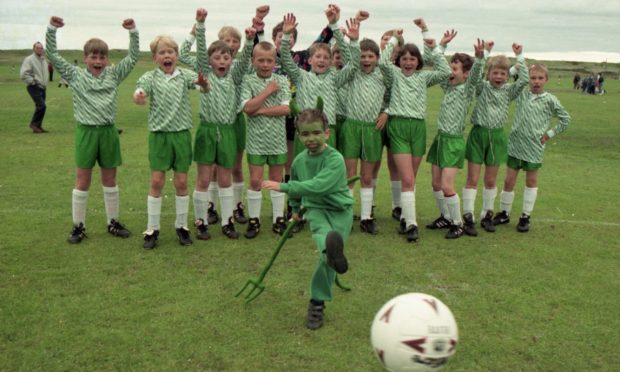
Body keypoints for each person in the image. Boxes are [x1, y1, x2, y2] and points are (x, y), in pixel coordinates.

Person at [45, 16, 138, 244]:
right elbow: (53, 55)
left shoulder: (114, 75)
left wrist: (133, 31)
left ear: (107, 60)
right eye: (93, 56)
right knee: (82, 180)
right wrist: (51, 29)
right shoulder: (75, 76)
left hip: (108, 132)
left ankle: (113, 222)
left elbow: (133, 57)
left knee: (110, 179)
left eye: (102, 57)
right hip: (86, 132)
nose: (98, 60)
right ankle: (78, 226)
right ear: (85, 58)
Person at [262, 107, 351, 330]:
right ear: (299, 136)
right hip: (316, 210)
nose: (311, 139)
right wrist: (293, 208)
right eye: (305, 134)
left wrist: (282, 186)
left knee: (329, 252)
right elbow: (298, 190)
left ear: (327, 133)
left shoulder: (335, 159)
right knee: (326, 249)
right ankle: (317, 302)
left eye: (316, 133)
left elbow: (318, 186)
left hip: (341, 211)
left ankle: (331, 253)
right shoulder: (299, 161)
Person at [133, 35, 209, 249]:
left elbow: (204, 87)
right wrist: (138, 95)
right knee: (156, 181)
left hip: (181, 135)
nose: (167, 56)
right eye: (162, 53)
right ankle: (152, 228)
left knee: (182, 182)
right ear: (155, 57)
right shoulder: (150, 77)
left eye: (171, 52)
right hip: (159, 136)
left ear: (176, 56)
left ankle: (182, 226)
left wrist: (203, 84)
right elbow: (140, 90)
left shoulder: (184, 75)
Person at [379, 27, 451, 243]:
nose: (408, 62)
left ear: (418, 62)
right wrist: (394, 39)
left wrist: (435, 47)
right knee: (407, 178)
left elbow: (446, 72)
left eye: (412, 59)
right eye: (404, 59)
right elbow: (383, 62)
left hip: (418, 129)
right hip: (398, 127)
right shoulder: (393, 73)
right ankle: (412, 224)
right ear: (399, 61)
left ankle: (404, 216)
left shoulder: (423, 78)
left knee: (410, 179)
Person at [192, 8, 254, 239]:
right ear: (209, 60)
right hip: (207, 131)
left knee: (226, 178)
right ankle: (201, 222)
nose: (222, 61)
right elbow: (200, 49)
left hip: (228, 131)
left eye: (226, 57)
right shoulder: (205, 73)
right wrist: (200, 24)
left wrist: (249, 40)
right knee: (204, 178)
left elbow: (245, 57)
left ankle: (227, 222)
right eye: (217, 57)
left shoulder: (235, 76)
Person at [461, 41, 528, 236]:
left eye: (503, 74)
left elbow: (523, 80)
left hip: (497, 136)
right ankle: (468, 217)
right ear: (489, 74)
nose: (499, 77)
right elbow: (473, 77)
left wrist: (520, 56)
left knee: (490, 179)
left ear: (508, 76)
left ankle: (487, 215)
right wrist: (483, 55)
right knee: (472, 178)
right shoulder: (481, 87)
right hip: (478, 134)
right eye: (495, 73)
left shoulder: (509, 91)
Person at [492, 64, 570, 232]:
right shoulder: (521, 93)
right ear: (528, 79)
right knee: (508, 180)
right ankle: (504, 213)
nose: (536, 81)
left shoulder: (550, 100)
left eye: (540, 78)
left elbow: (565, 119)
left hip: (534, 147)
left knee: (531, 181)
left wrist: (549, 134)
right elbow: (505, 82)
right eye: (533, 78)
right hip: (515, 144)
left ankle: (525, 216)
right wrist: (516, 67)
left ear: (546, 80)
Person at [426, 37, 485, 239]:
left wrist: (479, 58)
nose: (451, 72)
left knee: (446, 185)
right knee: (435, 183)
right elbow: (438, 64)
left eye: (456, 69)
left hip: (454, 142)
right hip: (440, 139)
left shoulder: (467, 89)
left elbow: (476, 76)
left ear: (465, 74)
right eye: (451, 67)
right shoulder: (447, 86)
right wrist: (438, 46)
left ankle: (458, 223)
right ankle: (445, 217)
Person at [279, 6, 356, 155]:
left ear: (331, 61)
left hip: (327, 130)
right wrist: (286, 35)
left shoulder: (335, 79)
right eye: (318, 57)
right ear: (309, 60)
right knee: (304, 172)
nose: (322, 60)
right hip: (304, 130)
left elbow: (352, 65)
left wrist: (334, 27)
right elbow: (286, 59)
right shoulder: (301, 76)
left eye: (326, 57)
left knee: (327, 172)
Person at [339, 25, 390, 235]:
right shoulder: (352, 73)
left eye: (370, 56)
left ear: (377, 58)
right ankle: (347, 216)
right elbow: (348, 54)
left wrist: (387, 111)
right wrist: (352, 39)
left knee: (367, 177)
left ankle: (367, 217)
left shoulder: (383, 76)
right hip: (351, 126)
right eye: (362, 56)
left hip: (372, 129)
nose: (366, 60)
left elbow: (393, 95)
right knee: (350, 175)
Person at [240, 41, 291, 238]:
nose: (265, 64)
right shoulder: (247, 80)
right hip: (256, 140)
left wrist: (259, 109)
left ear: (275, 62)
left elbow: (286, 109)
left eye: (269, 60)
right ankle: (254, 221)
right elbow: (247, 108)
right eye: (260, 60)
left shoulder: (282, 80)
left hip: (277, 139)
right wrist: (268, 92)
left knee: (277, 180)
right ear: (253, 61)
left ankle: (279, 219)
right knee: (255, 180)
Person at [20, 41, 49, 133]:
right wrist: (32, 82)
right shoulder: (29, 59)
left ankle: (38, 127)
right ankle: (34, 124)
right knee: (42, 105)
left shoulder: (43, 60)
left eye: (41, 48)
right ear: (34, 49)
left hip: (42, 86)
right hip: (33, 86)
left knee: (40, 106)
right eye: (38, 48)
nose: (40, 50)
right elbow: (24, 74)